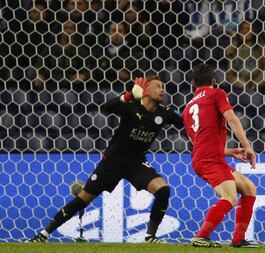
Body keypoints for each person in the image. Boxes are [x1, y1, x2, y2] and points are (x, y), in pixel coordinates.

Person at [27, 76, 183, 243]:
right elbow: (107, 107)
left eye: (163, 86)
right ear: (146, 90)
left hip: (136, 163)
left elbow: (184, 122)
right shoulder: (131, 107)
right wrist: (128, 96)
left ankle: (150, 237)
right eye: (158, 86)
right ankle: (43, 234)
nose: (162, 90)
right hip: (113, 162)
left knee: (163, 190)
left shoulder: (164, 112)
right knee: (82, 200)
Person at [182, 63, 258, 248]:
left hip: (206, 157)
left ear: (193, 84)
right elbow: (232, 118)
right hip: (210, 159)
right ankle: (201, 236)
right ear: (214, 82)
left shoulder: (187, 109)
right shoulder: (217, 93)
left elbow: (199, 143)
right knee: (230, 197)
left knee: (249, 188)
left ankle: (238, 239)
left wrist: (230, 152)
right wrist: (247, 146)